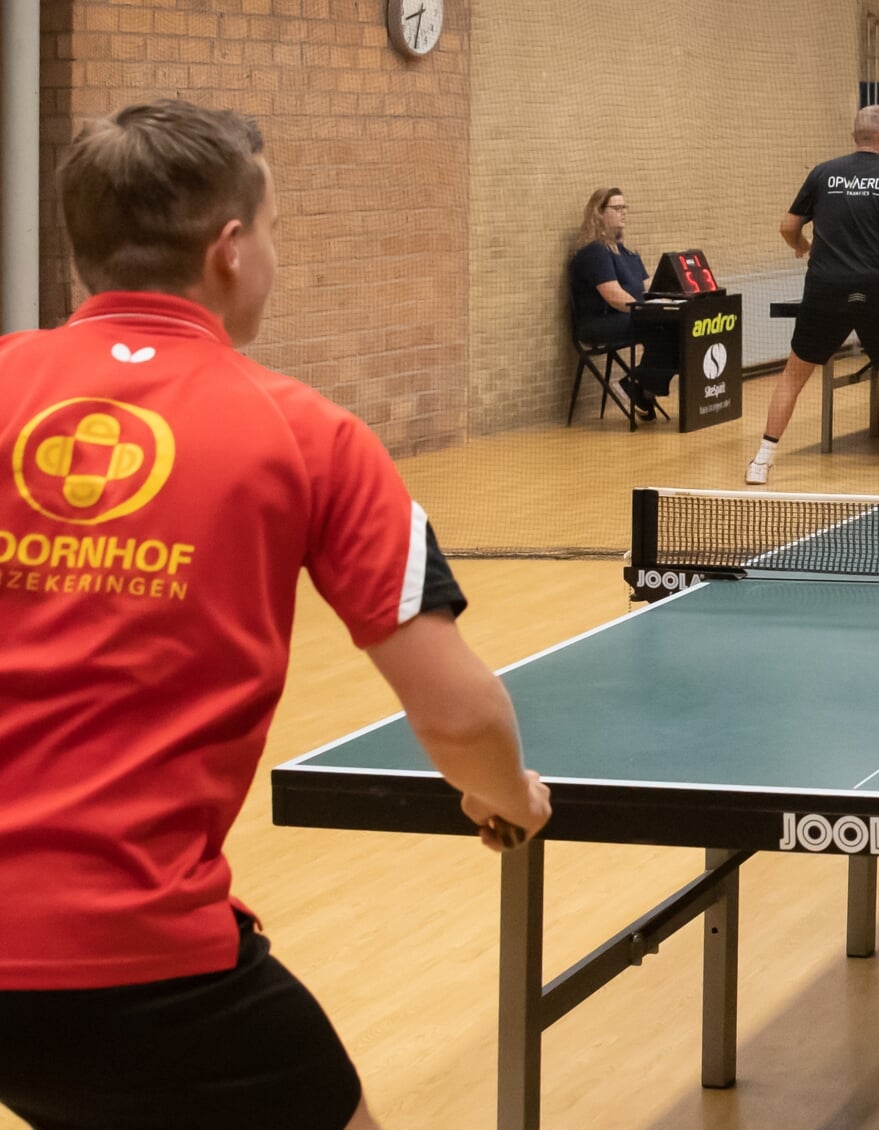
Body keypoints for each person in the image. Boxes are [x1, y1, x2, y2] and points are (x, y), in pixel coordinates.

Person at [0, 100, 551, 1130]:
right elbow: (460, 715)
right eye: (279, 228)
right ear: (230, 247)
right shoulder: (313, 437)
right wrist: (506, 798)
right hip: (138, 960)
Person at [747, 104, 879, 485]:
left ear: (854, 136)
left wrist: (803, 246)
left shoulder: (823, 173)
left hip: (825, 286)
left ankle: (761, 462)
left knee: (795, 373)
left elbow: (787, 227)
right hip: (878, 286)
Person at [567, 186, 677, 422]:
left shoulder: (629, 255)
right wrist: (650, 311)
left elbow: (649, 289)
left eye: (624, 208)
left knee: (679, 326)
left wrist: (670, 299)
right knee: (664, 328)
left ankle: (641, 389)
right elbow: (614, 296)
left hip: (627, 317)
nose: (623, 213)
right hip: (599, 323)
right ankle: (639, 387)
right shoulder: (594, 252)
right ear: (599, 213)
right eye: (616, 208)